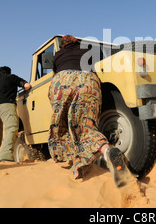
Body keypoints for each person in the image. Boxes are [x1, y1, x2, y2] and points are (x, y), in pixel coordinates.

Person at [48, 35, 131, 187]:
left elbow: (56, 74)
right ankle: (107, 152)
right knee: (87, 126)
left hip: (64, 81)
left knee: (62, 125)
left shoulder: (59, 54)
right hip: (90, 81)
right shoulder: (87, 51)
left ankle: (76, 161)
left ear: (63, 45)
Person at [0, 66, 31, 162]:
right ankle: (5, 156)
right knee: (11, 129)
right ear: (9, 72)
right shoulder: (12, 77)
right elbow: (27, 85)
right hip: (6, 106)